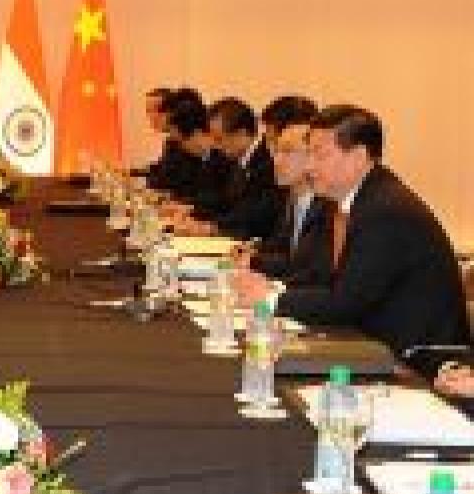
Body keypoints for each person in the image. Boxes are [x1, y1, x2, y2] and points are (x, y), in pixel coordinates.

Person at [234, 106, 471, 377]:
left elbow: (346, 302)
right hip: (372, 342)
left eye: (320, 155)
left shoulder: (384, 210)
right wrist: (273, 287)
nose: (310, 166)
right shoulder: (351, 201)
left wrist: (271, 298)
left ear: (358, 157)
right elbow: (321, 275)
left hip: (418, 359)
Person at [242, 118, 334, 286]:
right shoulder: (291, 198)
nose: (276, 160)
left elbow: (308, 270)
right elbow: (284, 251)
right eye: (276, 151)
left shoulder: (328, 207)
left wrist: (256, 266)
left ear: (312, 156)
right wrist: (252, 253)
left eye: (287, 151)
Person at [180, 97, 282, 239]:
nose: (215, 145)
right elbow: (223, 201)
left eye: (219, 139)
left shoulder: (266, 161)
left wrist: (213, 228)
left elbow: (255, 215)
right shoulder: (236, 158)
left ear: (241, 134)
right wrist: (191, 211)